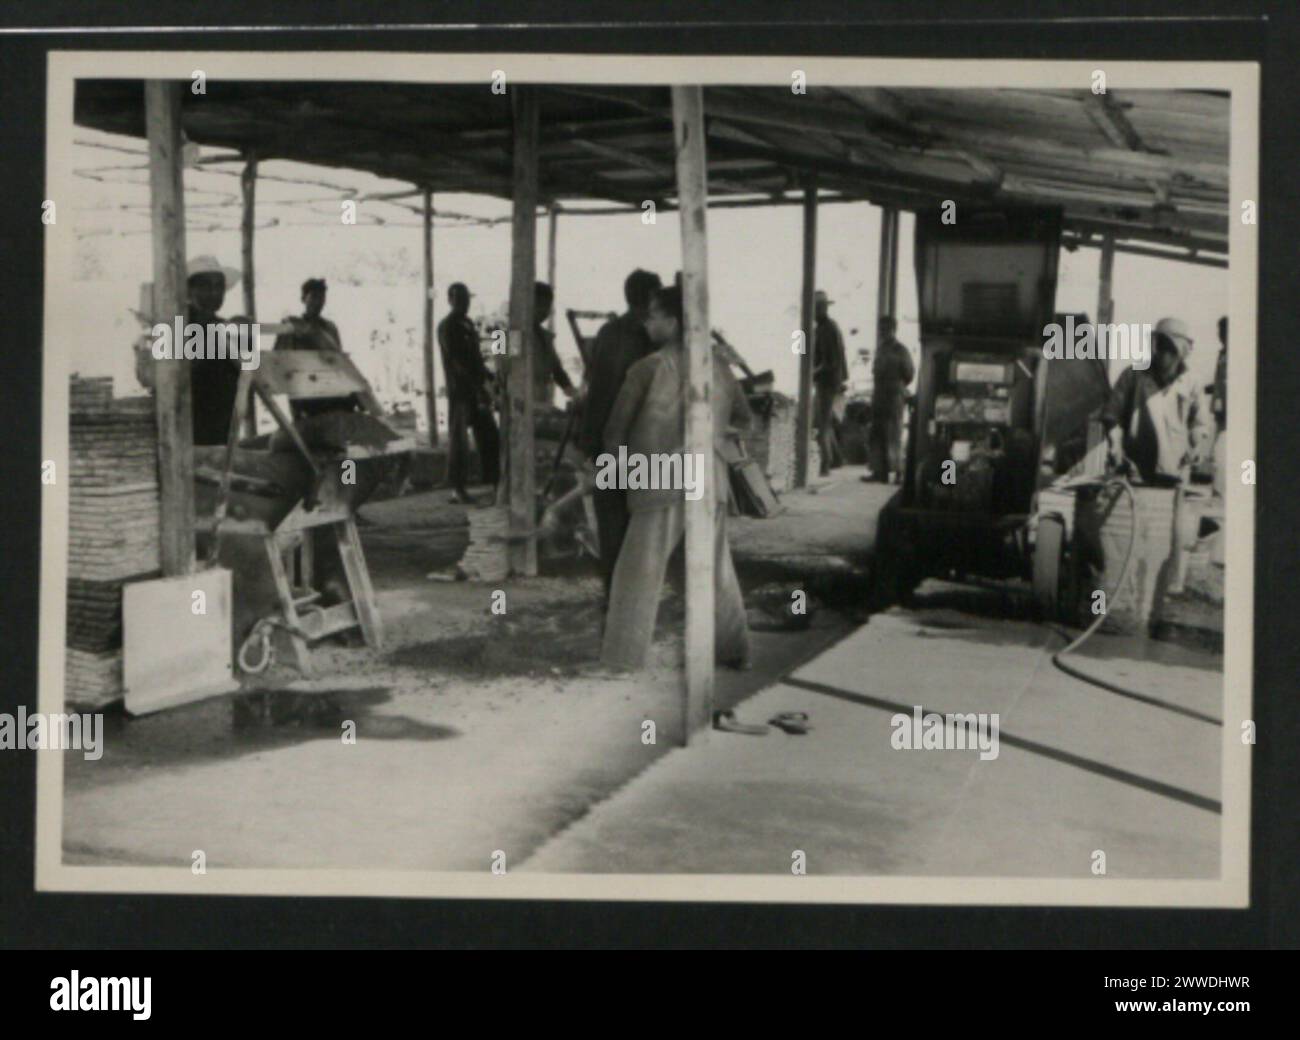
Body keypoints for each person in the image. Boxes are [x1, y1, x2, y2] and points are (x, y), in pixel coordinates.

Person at [599, 285, 752, 673]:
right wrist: (713, 436)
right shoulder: (718, 366)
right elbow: (745, 421)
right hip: (708, 478)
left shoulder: (648, 368)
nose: (647, 322)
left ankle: (623, 659)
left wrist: (616, 475)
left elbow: (614, 432)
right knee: (716, 570)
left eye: (653, 315)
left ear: (674, 321)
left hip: (659, 479)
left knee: (639, 573)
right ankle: (733, 650)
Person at [581, 268, 663, 595]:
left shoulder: (607, 331)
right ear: (650, 299)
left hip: (604, 438)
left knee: (610, 519)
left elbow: (593, 385)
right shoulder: (649, 338)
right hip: (633, 439)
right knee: (637, 518)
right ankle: (630, 591)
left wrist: (589, 440)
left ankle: (613, 589)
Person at [1101, 316, 1205, 485]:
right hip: (1135, 472)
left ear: (1182, 352)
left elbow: (1198, 425)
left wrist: (1196, 447)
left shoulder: (1192, 381)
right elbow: (1112, 416)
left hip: (1176, 473)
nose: (1164, 353)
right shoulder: (1133, 374)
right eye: (1160, 345)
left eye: (1170, 348)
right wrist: (1115, 445)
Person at [275, 278, 380, 419]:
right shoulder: (292, 327)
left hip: (330, 384)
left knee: (359, 394)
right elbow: (280, 361)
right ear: (303, 299)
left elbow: (339, 361)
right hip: (306, 389)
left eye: (322, 297)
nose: (318, 302)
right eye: (313, 297)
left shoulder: (330, 327)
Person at [437, 282, 499, 505]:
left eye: (466, 298)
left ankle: (495, 482)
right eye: (460, 298)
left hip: (476, 390)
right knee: (459, 441)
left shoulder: (468, 324)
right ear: (450, 300)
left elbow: (475, 359)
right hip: (460, 391)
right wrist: (478, 387)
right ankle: (457, 488)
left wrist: (489, 377)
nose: (465, 303)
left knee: (490, 436)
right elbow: (458, 363)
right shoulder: (447, 326)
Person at [184, 255, 246, 446]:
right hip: (190, 433)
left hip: (222, 430)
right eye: (205, 286)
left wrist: (244, 339)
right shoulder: (178, 324)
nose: (214, 292)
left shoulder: (224, 325)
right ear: (189, 290)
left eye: (219, 286)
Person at [867, 315, 915, 483]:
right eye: (880, 329)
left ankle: (898, 473)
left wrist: (897, 385)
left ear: (893, 330)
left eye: (885, 329)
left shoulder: (901, 350)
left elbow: (909, 373)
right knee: (878, 433)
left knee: (893, 434)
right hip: (880, 395)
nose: (882, 332)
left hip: (893, 396)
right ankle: (879, 472)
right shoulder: (881, 349)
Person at [811, 289, 848, 476]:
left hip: (827, 382)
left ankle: (825, 464)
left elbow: (830, 362)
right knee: (825, 422)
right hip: (828, 381)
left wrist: (811, 372)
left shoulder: (827, 329)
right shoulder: (822, 328)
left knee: (821, 423)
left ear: (820, 308)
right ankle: (836, 459)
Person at [531, 282, 576, 408]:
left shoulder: (546, 337)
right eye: (540, 305)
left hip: (541, 404)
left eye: (547, 306)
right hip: (517, 408)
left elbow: (557, 370)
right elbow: (504, 369)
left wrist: (573, 393)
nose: (545, 311)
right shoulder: (501, 334)